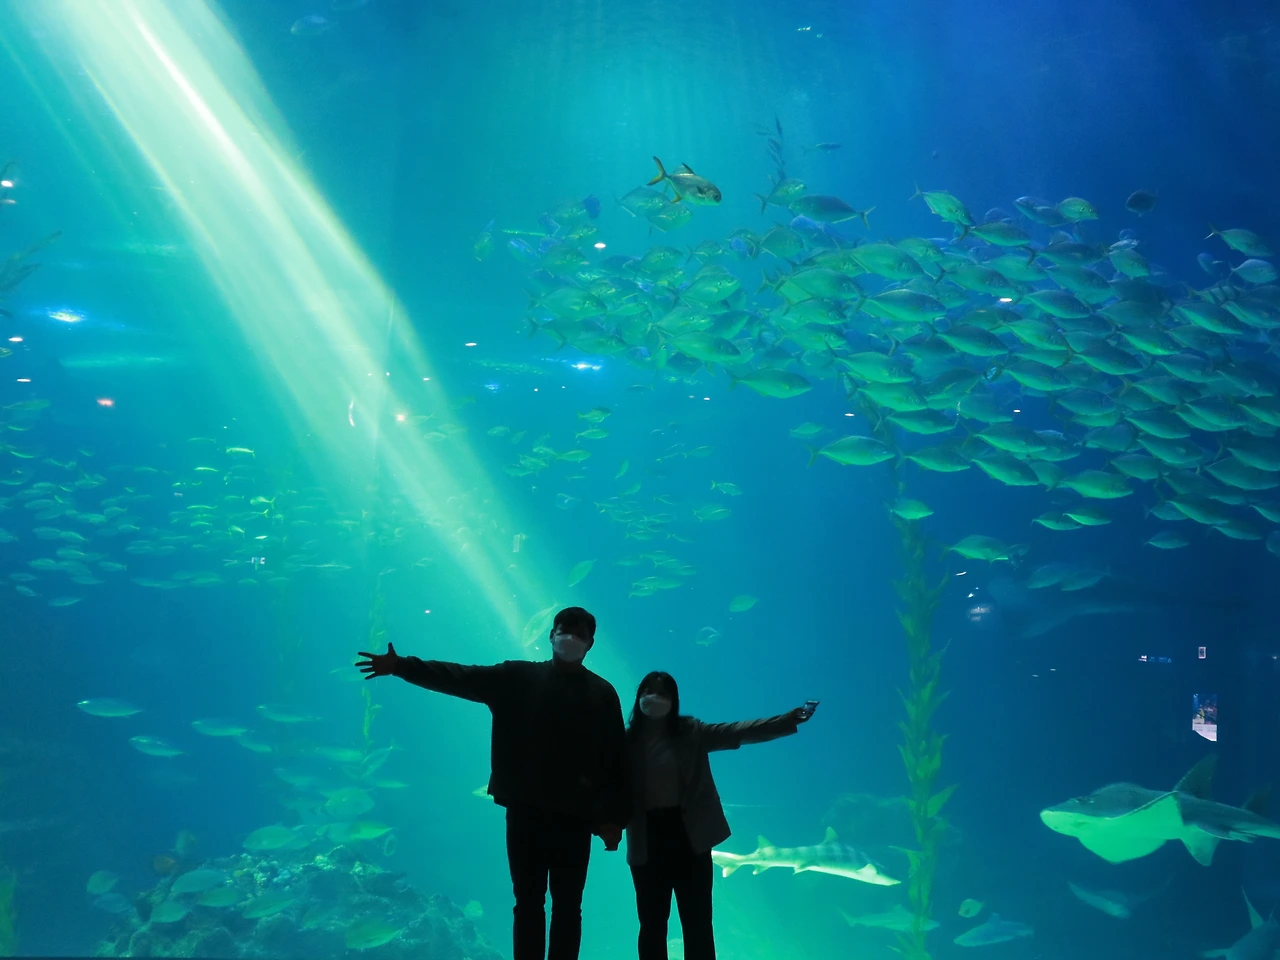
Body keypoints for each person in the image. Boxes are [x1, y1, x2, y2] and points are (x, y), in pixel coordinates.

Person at [356, 606, 630, 960]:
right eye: (566, 630)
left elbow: (615, 761)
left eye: (580, 634)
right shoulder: (515, 677)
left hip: (575, 818)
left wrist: (613, 819)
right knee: (529, 901)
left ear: (590, 643)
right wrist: (401, 666)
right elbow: (459, 677)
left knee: (567, 905)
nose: (571, 638)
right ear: (551, 635)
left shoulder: (603, 694)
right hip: (525, 811)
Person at [624, 671, 811, 960]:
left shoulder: (691, 732)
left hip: (691, 836)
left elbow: (737, 732)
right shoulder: (626, 741)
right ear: (638, 697)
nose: (653, 698)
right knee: (651, 923)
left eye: (662, 693)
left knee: (697, 922)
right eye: (648, 691)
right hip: (647, 839)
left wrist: (786, 721)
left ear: (674, 700)